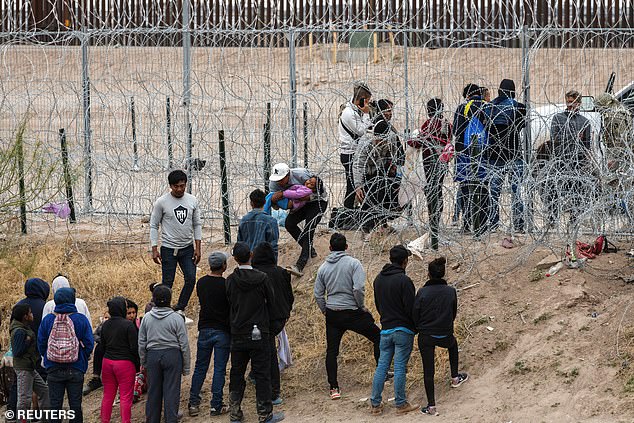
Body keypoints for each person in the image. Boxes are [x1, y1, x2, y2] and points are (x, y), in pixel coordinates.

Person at [314, 233, 380, 400]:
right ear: (346, 247)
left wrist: (324, 310)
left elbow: (318, 295)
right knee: (378, 336)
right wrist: (361, 306)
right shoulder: (354, 263)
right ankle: (382, 371)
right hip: (352, 311)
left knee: (332, 351)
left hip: (333, 314)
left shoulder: (323, 268)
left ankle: (334, 387)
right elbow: (358, 288)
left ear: (329, 248)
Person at [225, 242, 284, 423]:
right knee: (262, 374)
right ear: (251, 254)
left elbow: (229, 304)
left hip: (238, 332)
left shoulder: (230, 280)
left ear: (234, 258)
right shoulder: (263, 278)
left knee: (237, 373)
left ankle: (235, 413)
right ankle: (264, 414)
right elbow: (273, 304)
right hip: (260, 332)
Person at [413, 257, 468, 416]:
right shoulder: (450, 291)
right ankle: (455, 377)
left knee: (428, 370)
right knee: (453, 345)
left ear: (428, 274)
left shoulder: (422, 292)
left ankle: (431, 406)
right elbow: (453, 312)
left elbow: (415, 314)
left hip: (426, 335)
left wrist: (419, 328)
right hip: (444, 332)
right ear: (443, 274)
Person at [369, 245, 417, 415]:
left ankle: (375, 404)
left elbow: (378, 305)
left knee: (382, 366)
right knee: (399, 367)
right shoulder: (404, 281)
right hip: (403, 329)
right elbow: (412, 308)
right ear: (405, 261)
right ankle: (401, 403)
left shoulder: (378, 279)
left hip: (386, 329)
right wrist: (415, 326)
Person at [38, 287, 94, 423]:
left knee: (55, 406)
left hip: (53, 368)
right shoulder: (80, 319)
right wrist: (82, 356)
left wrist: (48, 356)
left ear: (56, 300)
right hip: (76, 367)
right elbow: (89, 344)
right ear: (72, 300)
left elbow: (41, 343)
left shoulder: (48, 320)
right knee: (75, 405)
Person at [149, 169, 202, 313]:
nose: (179, 189)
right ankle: (163, 309)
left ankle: (180, 307)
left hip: (187, 248)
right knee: (168, 282)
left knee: (191, 278)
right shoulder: (161, 202)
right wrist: (154, 249)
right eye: (176, 186)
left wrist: (198, 248)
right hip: (168, 248)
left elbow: (197, 224)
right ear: (170, 186)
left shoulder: (192, 200)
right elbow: (154, 225)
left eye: (182, 186)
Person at [138, 285, 190, 423]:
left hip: (153, 356)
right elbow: (184, 344)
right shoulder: (177, 318)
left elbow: (141, 342)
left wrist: (144, 361)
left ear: (153, 300)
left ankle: (152, 420)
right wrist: (186, 366)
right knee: (172, 392)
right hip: (173, 356)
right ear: (170, 300)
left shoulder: (147, 318)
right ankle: (171, 419)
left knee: (153, 391)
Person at [188, 252, 231, 417]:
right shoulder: (226, 285)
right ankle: (216, 405)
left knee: (200, 367)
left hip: (205, 329)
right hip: (222, 330)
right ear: (224, 266)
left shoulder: (201, 283)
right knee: (219, 369)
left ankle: (193, 403)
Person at [252, 242, 294, 405]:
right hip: (278, 319)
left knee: (266, 355)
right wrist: (286, 313)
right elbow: (289, 296)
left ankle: (272, 392)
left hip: (260, 320)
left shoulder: (255, 273)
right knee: (268, 353)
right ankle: (271, 390)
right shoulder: (282, 272)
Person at [542, 90, 592, 228]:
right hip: (560, 162)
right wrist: (573, 137)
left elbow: (587, 145)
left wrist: (587, 163)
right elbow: (554, 139)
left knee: (577, 193)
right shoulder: (558, 118)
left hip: (578, 162)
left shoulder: (585, 122)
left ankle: (574, 221)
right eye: (568, 102)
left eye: (573, 103)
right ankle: (552, 220)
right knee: (554, 192)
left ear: (579, 103)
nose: (570, 105)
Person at [269, 163, 328, 276]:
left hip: (317, 202)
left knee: (309, 227)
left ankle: (300, 264)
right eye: (277, 180)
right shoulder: (274, 185)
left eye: (281, 179)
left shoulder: (301, 175)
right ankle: (309, 249)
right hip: (298, 205)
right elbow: (275, 205)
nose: (279, 182)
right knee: (289, 224)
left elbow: (320, 191)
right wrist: (278, 202)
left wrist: (308, 197)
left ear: (288, 174)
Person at [486, 79, 527, 232]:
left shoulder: (489, 108)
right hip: (514, 154)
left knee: (494, 194)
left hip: (495, 156)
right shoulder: (519, 108)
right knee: (516, 192)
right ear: (513, 91)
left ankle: (493, 224)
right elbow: (522, 124)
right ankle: (519, 225)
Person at [353, 117, 404, 240]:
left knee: (388, 197)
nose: (380, 143)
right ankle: (366, 229)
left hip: (383, 171)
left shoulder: (391, 138)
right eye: (378, 141)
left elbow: (398, 160)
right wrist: (358, 185)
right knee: (369, 200)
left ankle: (383, 224)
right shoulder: (365, 142)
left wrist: (400, 180)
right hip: (368, 173)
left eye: (383, 141)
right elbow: (358, 164)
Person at [412, 98, 453, 249]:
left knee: (430, 191)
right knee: (439, 189)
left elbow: (417, 143)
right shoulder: (447, 125)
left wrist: (411, 139)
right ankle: (437, 221)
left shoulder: (428, 124)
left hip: (429, 163)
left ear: (429, 110)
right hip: (442, 163)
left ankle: (433, 223)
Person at [7, 278, 50, 418]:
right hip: (34, 355)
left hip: (24, 360)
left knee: (19, 388)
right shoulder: (45, 306)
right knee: (27, 394)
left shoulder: (19, 305)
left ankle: (12, 414)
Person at [99, 297, 140, 423]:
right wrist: (137, 365)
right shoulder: (128, 325)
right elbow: (134, 348)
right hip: (124, 364)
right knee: (125, 397)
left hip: (107, 362)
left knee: (107, 396)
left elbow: (102, 345)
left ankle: (104, 420)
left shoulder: (105, 325)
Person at [339, 82, 373, 209]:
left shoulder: (355, 110)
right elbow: (362, 131)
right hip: (350, 154)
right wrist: (366, 113)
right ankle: (347, 214)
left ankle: (353, 211)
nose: (368, 104)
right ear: (362, 99)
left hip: (354, 152)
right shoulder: (349, 113)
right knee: (352, 186)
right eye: (367, 101)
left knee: (356, 184)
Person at [237, 189, 280, 261]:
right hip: (264, 262)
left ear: (251, 203)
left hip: (247, 261)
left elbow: (240, 243)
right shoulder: (271, 221)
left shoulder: (244, 220)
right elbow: (273, 245)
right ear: (265, 202)